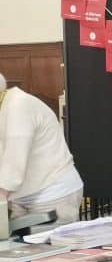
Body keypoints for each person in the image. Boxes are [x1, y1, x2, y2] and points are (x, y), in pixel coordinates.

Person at [0, 73, 84, 226]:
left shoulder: (18, 105)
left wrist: (2, 195)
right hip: (21, 198)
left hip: (53, 194)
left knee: (50, 248)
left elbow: (14, 161)